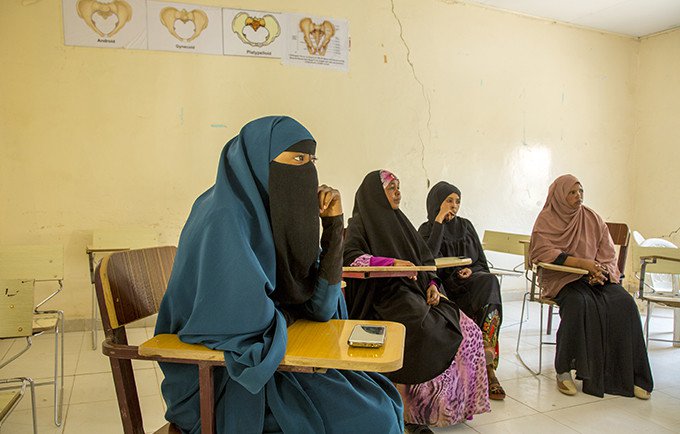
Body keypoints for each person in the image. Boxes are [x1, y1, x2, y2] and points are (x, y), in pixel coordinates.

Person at [154, 117, 403, 433]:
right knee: (373, 418)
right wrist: (290, 315)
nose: (308, 171)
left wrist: (333, 226)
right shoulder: (223, 218)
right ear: (259, 161)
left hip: (274, 356)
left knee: (380, 394)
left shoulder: (274, 214)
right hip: (226, 377)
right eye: (298, 159)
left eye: (312, 161)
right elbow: (245, 328)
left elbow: (320, 309)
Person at [343, 170, 490, 433]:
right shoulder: (360, 224)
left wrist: (433, 284)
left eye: (399, 187)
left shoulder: (403, 223)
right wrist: (391, 263)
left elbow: (425, 261)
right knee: (424, 331)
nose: (398, 192)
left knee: (467, 329)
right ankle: (413, 414)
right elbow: (351, 258)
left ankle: (449, 407)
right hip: (383, 297)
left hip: (416, 293)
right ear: (375, 194)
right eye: (391, 188)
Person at [529, 174, 653, 399]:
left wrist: (600, 272)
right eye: (572, 192)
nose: (579, 197)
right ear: (559, 196)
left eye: (581, 192)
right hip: (563, 278)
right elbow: (542, 252)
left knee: (624, 302)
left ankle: (632, 374)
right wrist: (584, 265)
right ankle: (564, 370)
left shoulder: (592, 218)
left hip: (594, 277)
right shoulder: (546, 220)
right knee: (579, 302)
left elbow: (607, 255)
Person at [418, 181, 505, 400]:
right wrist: (439, 221)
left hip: (467, 283)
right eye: (449, 201)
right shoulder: (426, 228)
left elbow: (481, 263)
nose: (454, 206)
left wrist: (471, 269)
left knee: (490, 281)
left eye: (457, 201)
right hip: (442, 285)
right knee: (438, 289)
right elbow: (427, 259)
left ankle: (488, 359)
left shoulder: (466, 226)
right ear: (437, 202)